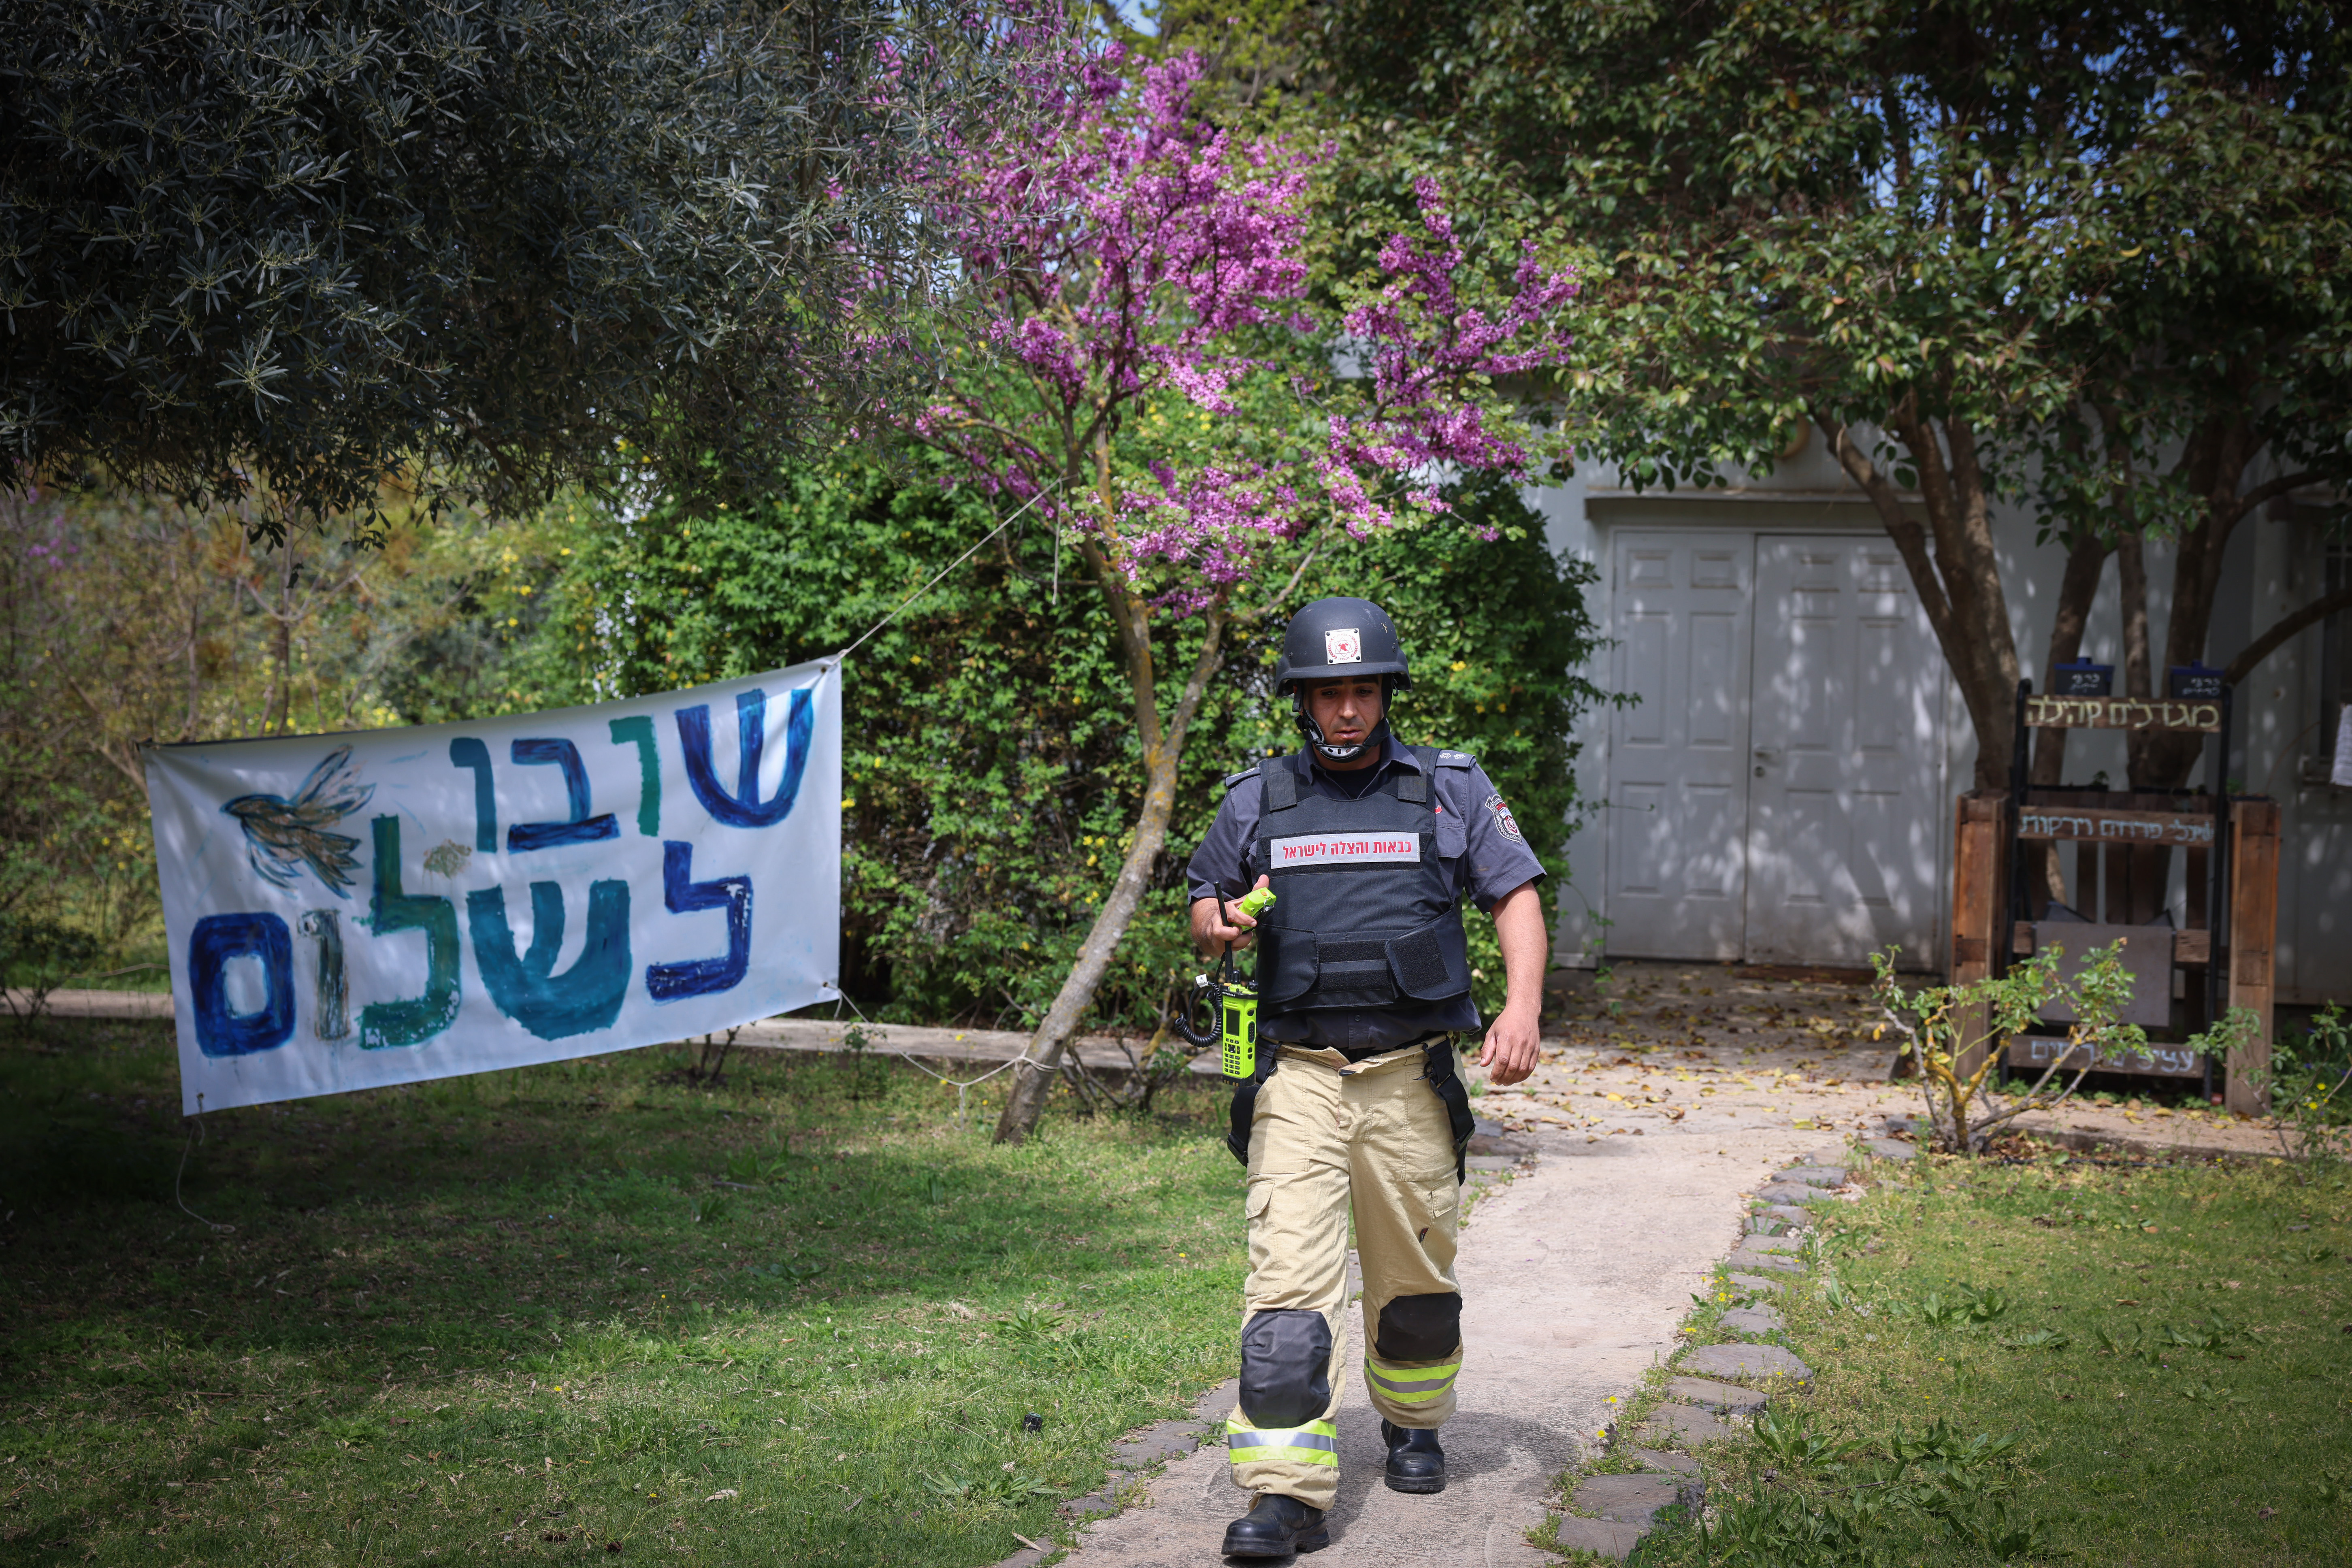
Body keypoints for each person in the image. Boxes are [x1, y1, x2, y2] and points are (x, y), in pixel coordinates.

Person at [1185, 595, 1548, 1558]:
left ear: (1386, 693)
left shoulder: (1449, 788)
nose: (1348, 709)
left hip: (1410, 1079)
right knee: (1286, 1298)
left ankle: (1416, 1421)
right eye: (1329, 693)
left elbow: (1514, 893)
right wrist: (1219, 923)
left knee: (1415, 1289)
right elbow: (1205, 903)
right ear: (1303, 701)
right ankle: (1284, 1493)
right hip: (1297, 1080)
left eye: (1364, 691)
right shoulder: (1254, 799)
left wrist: (1522, 1008)